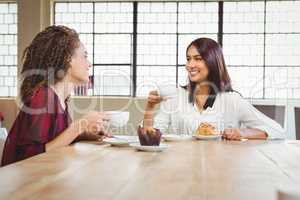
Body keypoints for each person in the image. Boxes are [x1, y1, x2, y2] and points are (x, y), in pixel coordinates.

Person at [1, 25, 109, 166]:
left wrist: (82, 134)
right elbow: (31, 159)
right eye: (85, 56)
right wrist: (80, 126)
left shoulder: (60, 99)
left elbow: (53, 143)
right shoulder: (44, 98)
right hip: (24, 184)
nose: (89, 63)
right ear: (68, 59)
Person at [143, 37, 285, 140]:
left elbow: (277, 130)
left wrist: (242, 133)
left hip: (219, 170)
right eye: (188, 59)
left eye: (198, 59)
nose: (190, 65)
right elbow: (150, 137)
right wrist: (149, 108)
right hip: (179, 168)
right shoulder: (175, 96)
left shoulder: (231, 100)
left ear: (212, 62)